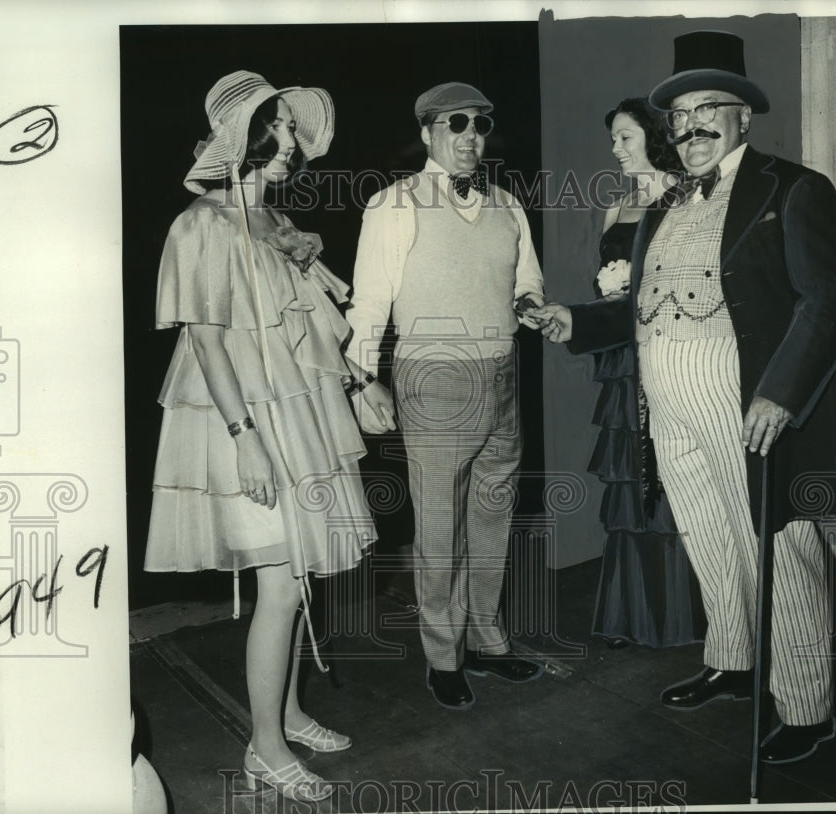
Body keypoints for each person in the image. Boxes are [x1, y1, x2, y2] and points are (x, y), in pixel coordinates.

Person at [535, 31, 836, 764]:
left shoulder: (793, 187)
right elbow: (646, 304)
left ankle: (809, 708)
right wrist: (577, 323)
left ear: (745, 115)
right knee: (708, 534)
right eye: (680, 115)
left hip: (742, 398)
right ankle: (734, 660)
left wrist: (780, 394)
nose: (692, 126)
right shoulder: (665, 204)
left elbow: (827, 302)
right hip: (666, 399)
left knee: (780, 546)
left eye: (710, 108)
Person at [143, 70, 394, 801]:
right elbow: (209, 344)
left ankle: (285, 713)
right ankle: (265, 748)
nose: (288, 144)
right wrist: (245, 436)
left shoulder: (274, 225)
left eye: (289, 129)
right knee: (280, 583)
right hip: (241, 421)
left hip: (297, 415)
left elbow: (315, 328)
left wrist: (359, 382)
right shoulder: (199, 226)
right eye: (273, 130)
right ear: (238, 140)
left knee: (299, 577)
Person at [345, 82, 545, 710]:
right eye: (455, 125)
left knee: (494, 514)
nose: (469, 137)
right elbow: (370, 302)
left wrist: (533, 308)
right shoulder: (393, 204)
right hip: (433, 377)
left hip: (503, 373)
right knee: (439, 524)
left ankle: (488, 641)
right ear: (428, 131)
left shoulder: (508, 204)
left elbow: (527, 281)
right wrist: (359, 380)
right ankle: (442, 655)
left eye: (480, 126)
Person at [557, 98, 706, 648]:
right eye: (613, 140)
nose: (615, 150)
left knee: (673, 471)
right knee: (631, 476)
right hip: (623, 358)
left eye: (624, 138)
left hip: (671, 352)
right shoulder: (615, 207)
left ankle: (684, 614)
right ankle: (634, 613)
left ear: (651, 135)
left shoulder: (688, 197)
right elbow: (606, 287)